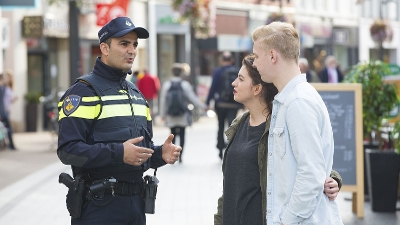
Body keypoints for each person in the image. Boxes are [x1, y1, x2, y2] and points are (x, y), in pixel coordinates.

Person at [57, 17, 181, 225]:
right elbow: (68, 151)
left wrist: (159, 154)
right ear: (104, 48)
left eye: (134, 44)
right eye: (124, 44)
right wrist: (118, 153)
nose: (131, 50)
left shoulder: (135, 93)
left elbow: (139, 152)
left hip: (136, 206)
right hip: (98, 207)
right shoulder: (83, 92)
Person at [214, 54, 342, 225]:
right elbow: (230, 185)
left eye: (241, 79)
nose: (234, 83)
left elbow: (305, 160)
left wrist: (333, 178)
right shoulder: (239, 123)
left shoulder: (279, 124)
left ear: (257, 88)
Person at [252, 22, 343, 224]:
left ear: (273, 56)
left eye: (257, 56)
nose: (255, 64)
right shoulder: (290, 99)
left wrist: (286, 221)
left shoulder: (298, 102)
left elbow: (311, 174)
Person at [159, 63, 206, 163]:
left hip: (171, 115)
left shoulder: (167, 84)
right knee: (182, 135)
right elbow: (192, 98)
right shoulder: (185, 84)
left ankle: (172, 154)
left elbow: (163, 100)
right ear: (181, 73)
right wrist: (204, 106)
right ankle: (180, 156)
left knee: (172, 135)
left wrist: (162, 114)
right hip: (182, 114)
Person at [206, 51, 243, 159]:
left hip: (220, 104)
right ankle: (230, 148)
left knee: (220, 126)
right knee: (232, 127)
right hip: (233, 104)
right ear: (232, 60)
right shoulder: (237, 71)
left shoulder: (217, 71)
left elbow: (213, 88)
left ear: (222, 60)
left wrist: (208, 102)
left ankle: (220, 149)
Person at [0, 70, 16, 150]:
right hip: (3, 112)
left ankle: (9, 144)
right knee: (7, 129)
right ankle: (10, 145)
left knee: (6, 129)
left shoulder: (4, 88)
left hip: (5, 111)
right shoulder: (1, 88)